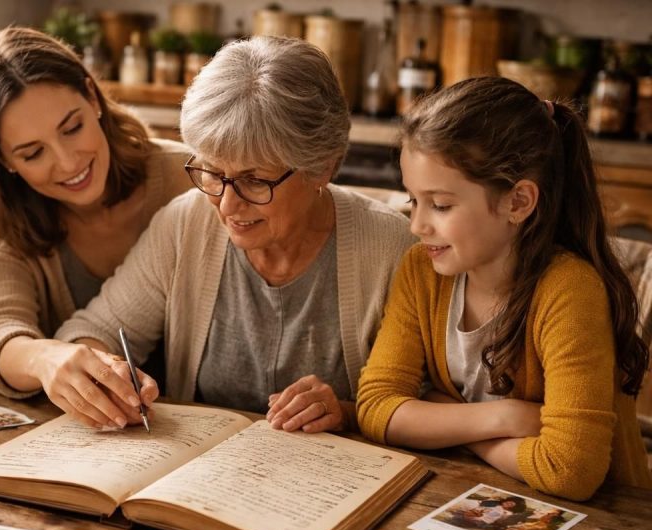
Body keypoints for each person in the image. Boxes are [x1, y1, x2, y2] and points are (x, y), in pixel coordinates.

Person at [56, 37, 416, 431]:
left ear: (323, 168)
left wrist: (346, 413)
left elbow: (431, 400)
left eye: (255, 181)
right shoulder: (184, 225)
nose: (227, 206)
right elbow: (89, 333)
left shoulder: (391, 249)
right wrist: (104, 371)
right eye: (212, 172)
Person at [355, 76, 652, 501]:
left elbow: (570, 470)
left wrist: (444, 412)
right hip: (483, 498)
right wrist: (504, 417)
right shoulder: (421, 271)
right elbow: (378, 408)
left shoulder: (569, 290)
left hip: (607, 527)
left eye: (440, 205)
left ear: (518, 203)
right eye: (412, 201)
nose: (418, 225)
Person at [0, 27, 193, 429]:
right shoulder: (1, 220)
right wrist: (44, 359)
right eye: (33, 153)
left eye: (72, 128)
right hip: (94, 443)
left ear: (93, 97)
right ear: (1, 160)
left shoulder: (186, 177)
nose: (68, 163)